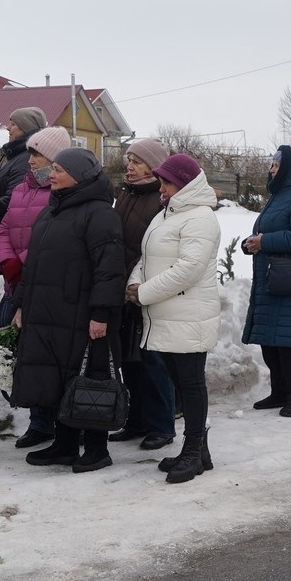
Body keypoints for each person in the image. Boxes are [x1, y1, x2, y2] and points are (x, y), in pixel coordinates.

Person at [12, 147, 125, 472]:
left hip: (83, 315)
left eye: (59, 169)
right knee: (61, 379)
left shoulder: (100, 214)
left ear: (80, 175)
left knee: (90, 378)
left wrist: (101, 313)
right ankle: (64, 445)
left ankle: (96, 449)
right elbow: (32, 264)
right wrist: (21, 302)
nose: (52, 174)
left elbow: (109, 268)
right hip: (50, 312)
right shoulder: (52, 211)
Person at [129, 153, 221, 483]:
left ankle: (193, 451)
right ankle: (200, 451)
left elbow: (188, 270)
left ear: (183, 184)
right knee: (181, 383)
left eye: (167, 182)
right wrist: (135, 282)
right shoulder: (166, 214)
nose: (161, 187)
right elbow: (147, 256)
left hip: (189, 316)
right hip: (167, 315)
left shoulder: (200, 218)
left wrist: (145, 293)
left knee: (191, 385)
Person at [0, 125, 69, 447]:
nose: (31, 160)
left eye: (37, 154)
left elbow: (53, 236)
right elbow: (4, 228)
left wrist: (21, 261)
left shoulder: (60, 191)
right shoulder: (22, 188)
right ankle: (38, 421)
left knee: (43, 353)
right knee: (9, 346)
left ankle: (51, 420)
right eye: (31, 153)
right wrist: (7, 262)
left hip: (43, 283)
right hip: (16, 282)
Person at [243, 145, 291, 416]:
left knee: (287, 343)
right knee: (271, 342)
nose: (270, 169)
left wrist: (264, 241)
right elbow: (267, 232)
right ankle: (280, 392)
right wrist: (252, 243)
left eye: (275, 165)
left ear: (288, 169)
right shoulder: (278, 197)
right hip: (274, 278)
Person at [112, 137, 177, 446]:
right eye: (129, 160)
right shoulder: (125, 195)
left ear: (153, 166)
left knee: (153, 362)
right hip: (124, 290)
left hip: (149, 291)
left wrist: (142, 284)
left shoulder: (162, 201)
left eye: (137, 161)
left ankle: (162, 426)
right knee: (130, 361)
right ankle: (136, 421)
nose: (130, 166)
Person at [0, 106, 47, 222]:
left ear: (26, 129)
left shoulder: (27, 159)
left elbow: (14, 199)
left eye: (13, 124)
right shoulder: (17, 156)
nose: (8, 128)